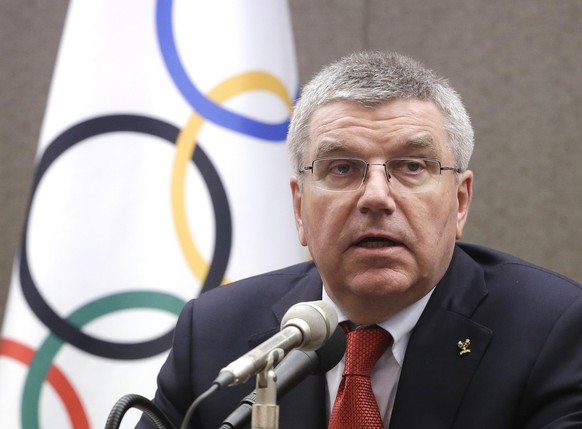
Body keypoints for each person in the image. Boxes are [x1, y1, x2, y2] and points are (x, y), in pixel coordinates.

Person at [136, 51, 582, 429]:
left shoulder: (553, 331)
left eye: (411, 166)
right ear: (300, 207)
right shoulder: (216, 334)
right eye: (342, 168)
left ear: (460, 201)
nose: (376, 197)